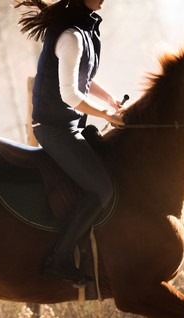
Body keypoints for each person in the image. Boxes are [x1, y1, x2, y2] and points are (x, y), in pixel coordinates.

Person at [15, 0, 125, 286]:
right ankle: (59, 260)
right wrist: (107, 115)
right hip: (54, 129)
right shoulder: (72, 36)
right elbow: (71, 96)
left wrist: (109, 100)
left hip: (70, 125)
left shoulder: (85, 30)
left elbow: (84, 78)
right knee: (101, 189)